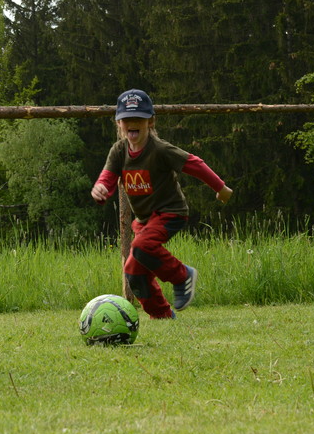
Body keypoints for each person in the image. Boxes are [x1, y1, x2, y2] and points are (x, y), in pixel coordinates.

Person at [91, 89, 233, 319]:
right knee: (133, 272)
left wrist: (221, 187)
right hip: (145, 221)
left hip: (170, 213)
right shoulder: (119, 151)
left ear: (151, 121)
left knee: (141, 247)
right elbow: (107, 177)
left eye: (139, 118)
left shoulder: (159, 149)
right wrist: (101, 190)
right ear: (119, 124)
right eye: (127, 119)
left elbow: (193, 164)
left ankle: (182, 276)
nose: (132, 123)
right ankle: (162, 316)